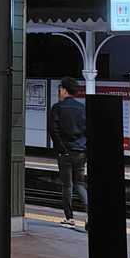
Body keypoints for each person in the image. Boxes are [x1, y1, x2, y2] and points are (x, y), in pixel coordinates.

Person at [49, 77, 87, 228]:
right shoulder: (82, 108)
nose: (59, 92)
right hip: (80, 152)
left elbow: (53, 130)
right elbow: (87, 131)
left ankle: (69, 218)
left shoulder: (57, 108)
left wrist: (62, 150)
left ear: (64, 90)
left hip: (65, 153)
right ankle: (91, 214)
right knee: (80, 184)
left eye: (60, 89)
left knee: (67, 185)